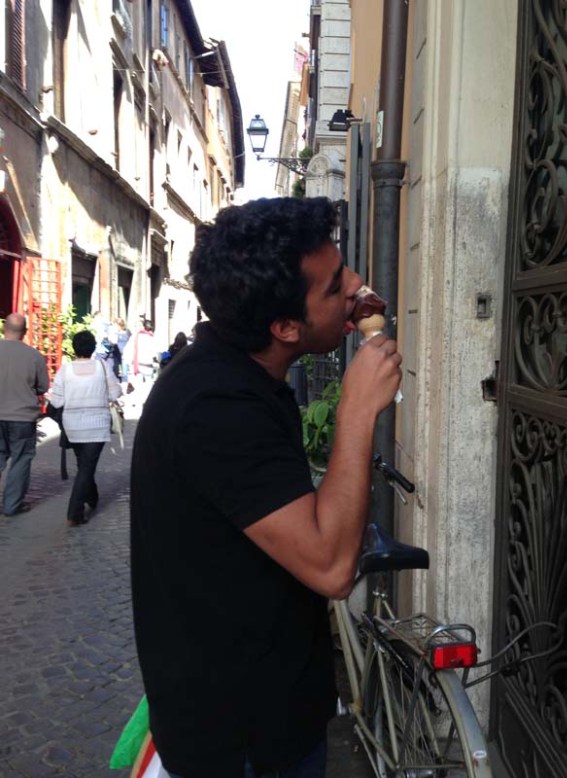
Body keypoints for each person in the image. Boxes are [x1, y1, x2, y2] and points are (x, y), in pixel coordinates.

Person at [130, 197, 402, 778]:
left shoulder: (247, 375)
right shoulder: (215, 405)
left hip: (271, 710)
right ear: (284, 327)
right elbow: (331, 568)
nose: (357, 285)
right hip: (242, 741)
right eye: (335, 286)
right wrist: (357, 410)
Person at [50, 330, 121, 526]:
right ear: (93, 347)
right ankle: (74, 513)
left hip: (72, 426)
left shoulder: (65, 370)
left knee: (84, 465)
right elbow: (115, 393)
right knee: (87, 467)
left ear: (74, 348)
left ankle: (93, 497)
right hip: (97, 425)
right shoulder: (102, 366)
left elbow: (57, 401)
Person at [0, 313, 49, 515]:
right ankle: (12, 505)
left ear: (4, 328)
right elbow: (43, 387)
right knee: (20, 460)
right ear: (25, 332)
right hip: (22, 417)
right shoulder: (34, 356)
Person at [123, 319, 157, 404]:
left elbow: (128, 350)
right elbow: (156, 353)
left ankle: (139, 402)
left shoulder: (136, 336)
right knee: (148, 385)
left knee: (138, 385)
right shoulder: (153, 337)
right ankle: (147, 402)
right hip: (148, 365)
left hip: (137, 365)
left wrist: (127, 362)